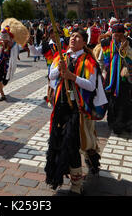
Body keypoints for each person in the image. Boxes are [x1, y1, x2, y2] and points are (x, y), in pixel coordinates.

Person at [45, 28, 107, 195]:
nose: (73, 39)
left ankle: (77, 186)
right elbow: (51, 76)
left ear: (84, 42)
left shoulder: (88, 61)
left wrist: (72, 77)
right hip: (61, 107)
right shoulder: (61, 56)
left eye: (77, 37)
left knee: (77, 144)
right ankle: (74, 175)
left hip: (78, 110)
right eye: (72, 36)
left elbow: (91, 85)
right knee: (62, 143)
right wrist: (60, 69)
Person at [99, 23, 132, 135]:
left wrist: (127, 48)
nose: (116, 37)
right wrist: (101, 72)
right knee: (112, 101)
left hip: (125, 78)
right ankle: (114, 124)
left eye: (118, 35)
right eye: (114, 35)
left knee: (126, 100)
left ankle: (127, 123)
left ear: (123, 34)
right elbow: (101, 60)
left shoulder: (131, 44)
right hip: (110, 78)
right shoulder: (106, 44)